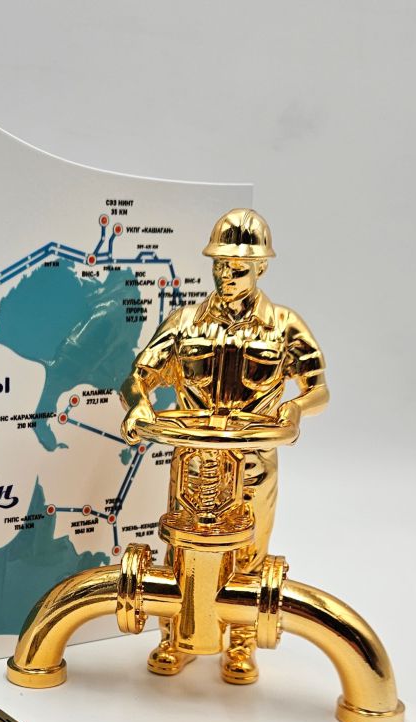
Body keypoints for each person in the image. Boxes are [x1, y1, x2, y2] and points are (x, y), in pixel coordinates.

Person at [120, 208, 329, 684]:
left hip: (253, 464)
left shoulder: (284, 326)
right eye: (219, 266)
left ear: (261, 267)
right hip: (192, 461)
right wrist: (138, 405)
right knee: (179, 548)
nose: (226, 276)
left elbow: (318, 389)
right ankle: (174, 636)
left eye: (238, 268)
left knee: (250, 552)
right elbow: (139, 375)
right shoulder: (185, 322)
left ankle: (241, 642)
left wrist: (296, 408)